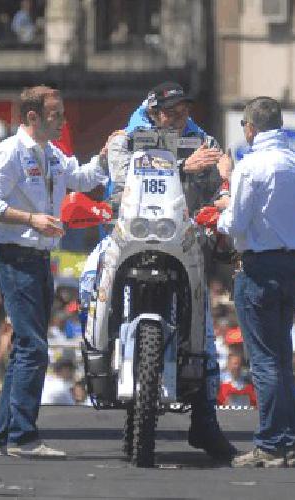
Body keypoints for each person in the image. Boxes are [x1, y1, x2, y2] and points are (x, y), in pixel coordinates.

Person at [77, 81, 238, 461]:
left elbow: (217, 193)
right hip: (126, 237)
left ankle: (205, 423)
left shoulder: (205, 141)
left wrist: (222, 181)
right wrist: (182, 167)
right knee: (88, 286)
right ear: (153, 112)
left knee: (205, 332)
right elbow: (118, 190)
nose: (180, 116)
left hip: (183, 241)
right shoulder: (125, 139)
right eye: (171, 110)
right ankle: (97, 357)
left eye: (184, 108)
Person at [0, 85, 108, 458]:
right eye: (56, 114)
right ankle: (22, 437)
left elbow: (81, 179)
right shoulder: (9, 152)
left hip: (37, 258)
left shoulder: (51, 154)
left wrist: (105, 156)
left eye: (63, 113)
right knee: (32, 347)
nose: (63, 120)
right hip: (17, 257)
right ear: (32, 117)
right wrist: (31, 218)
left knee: (25, 348)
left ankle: (5, 436)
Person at [215, 96, 295, 468]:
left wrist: (225, 194)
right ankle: (287, 442)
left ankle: (271, 443)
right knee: (282, 357)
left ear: (250, 128)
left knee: (264, 361)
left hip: (259, 266)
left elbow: (237, 224)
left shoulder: (251, 164)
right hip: (292, 266)